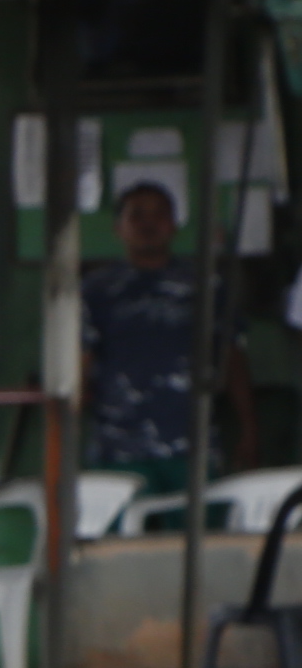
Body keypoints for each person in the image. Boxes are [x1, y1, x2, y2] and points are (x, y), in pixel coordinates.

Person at [83, 181, 256, 495]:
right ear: (118, 228)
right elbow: (80, 360)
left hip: (192, 445)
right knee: (119, 543)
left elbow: (232, 357)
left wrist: (248, 426)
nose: (149, 223)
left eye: (160, 214)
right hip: (119, 447)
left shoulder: (206, 288)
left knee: (202, 540)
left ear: (175, 225)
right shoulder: (96, 291)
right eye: (137, 215)